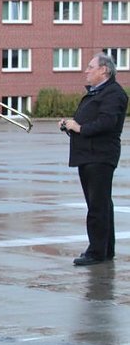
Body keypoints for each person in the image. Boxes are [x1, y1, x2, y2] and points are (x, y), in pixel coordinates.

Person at [60, 53, 128, 266]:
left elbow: (107, 123)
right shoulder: (97, 92)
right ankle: (105, 249)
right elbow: (91, 120)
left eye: (91, 67)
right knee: (101, 204)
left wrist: (79, 127)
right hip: (89, 155)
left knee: (97, 206)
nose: (86, 71)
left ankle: (96, 252)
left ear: (104, 70)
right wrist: (70, 124)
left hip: (100, 156)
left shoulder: (113, 93)